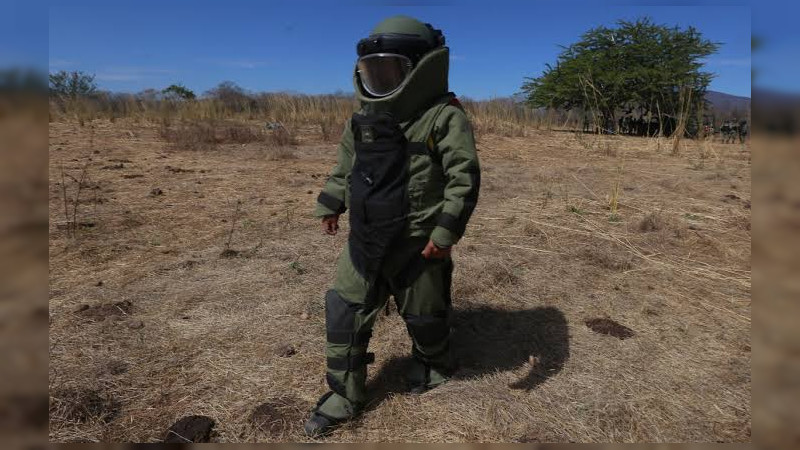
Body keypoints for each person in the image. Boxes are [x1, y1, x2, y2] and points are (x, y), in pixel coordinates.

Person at [304, 15, 481, 437]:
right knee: (343, 312)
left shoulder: (443, 117)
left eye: (391, 69)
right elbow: (345, 167)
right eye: (374, 70)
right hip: (365, 239)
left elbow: (464, 178)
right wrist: (331, 204)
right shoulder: (360, 119)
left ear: (421, 69)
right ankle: (344, 394)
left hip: (419, 245)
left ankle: (433, 363)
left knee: (425, 314)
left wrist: (443, 235)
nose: (380, 78)